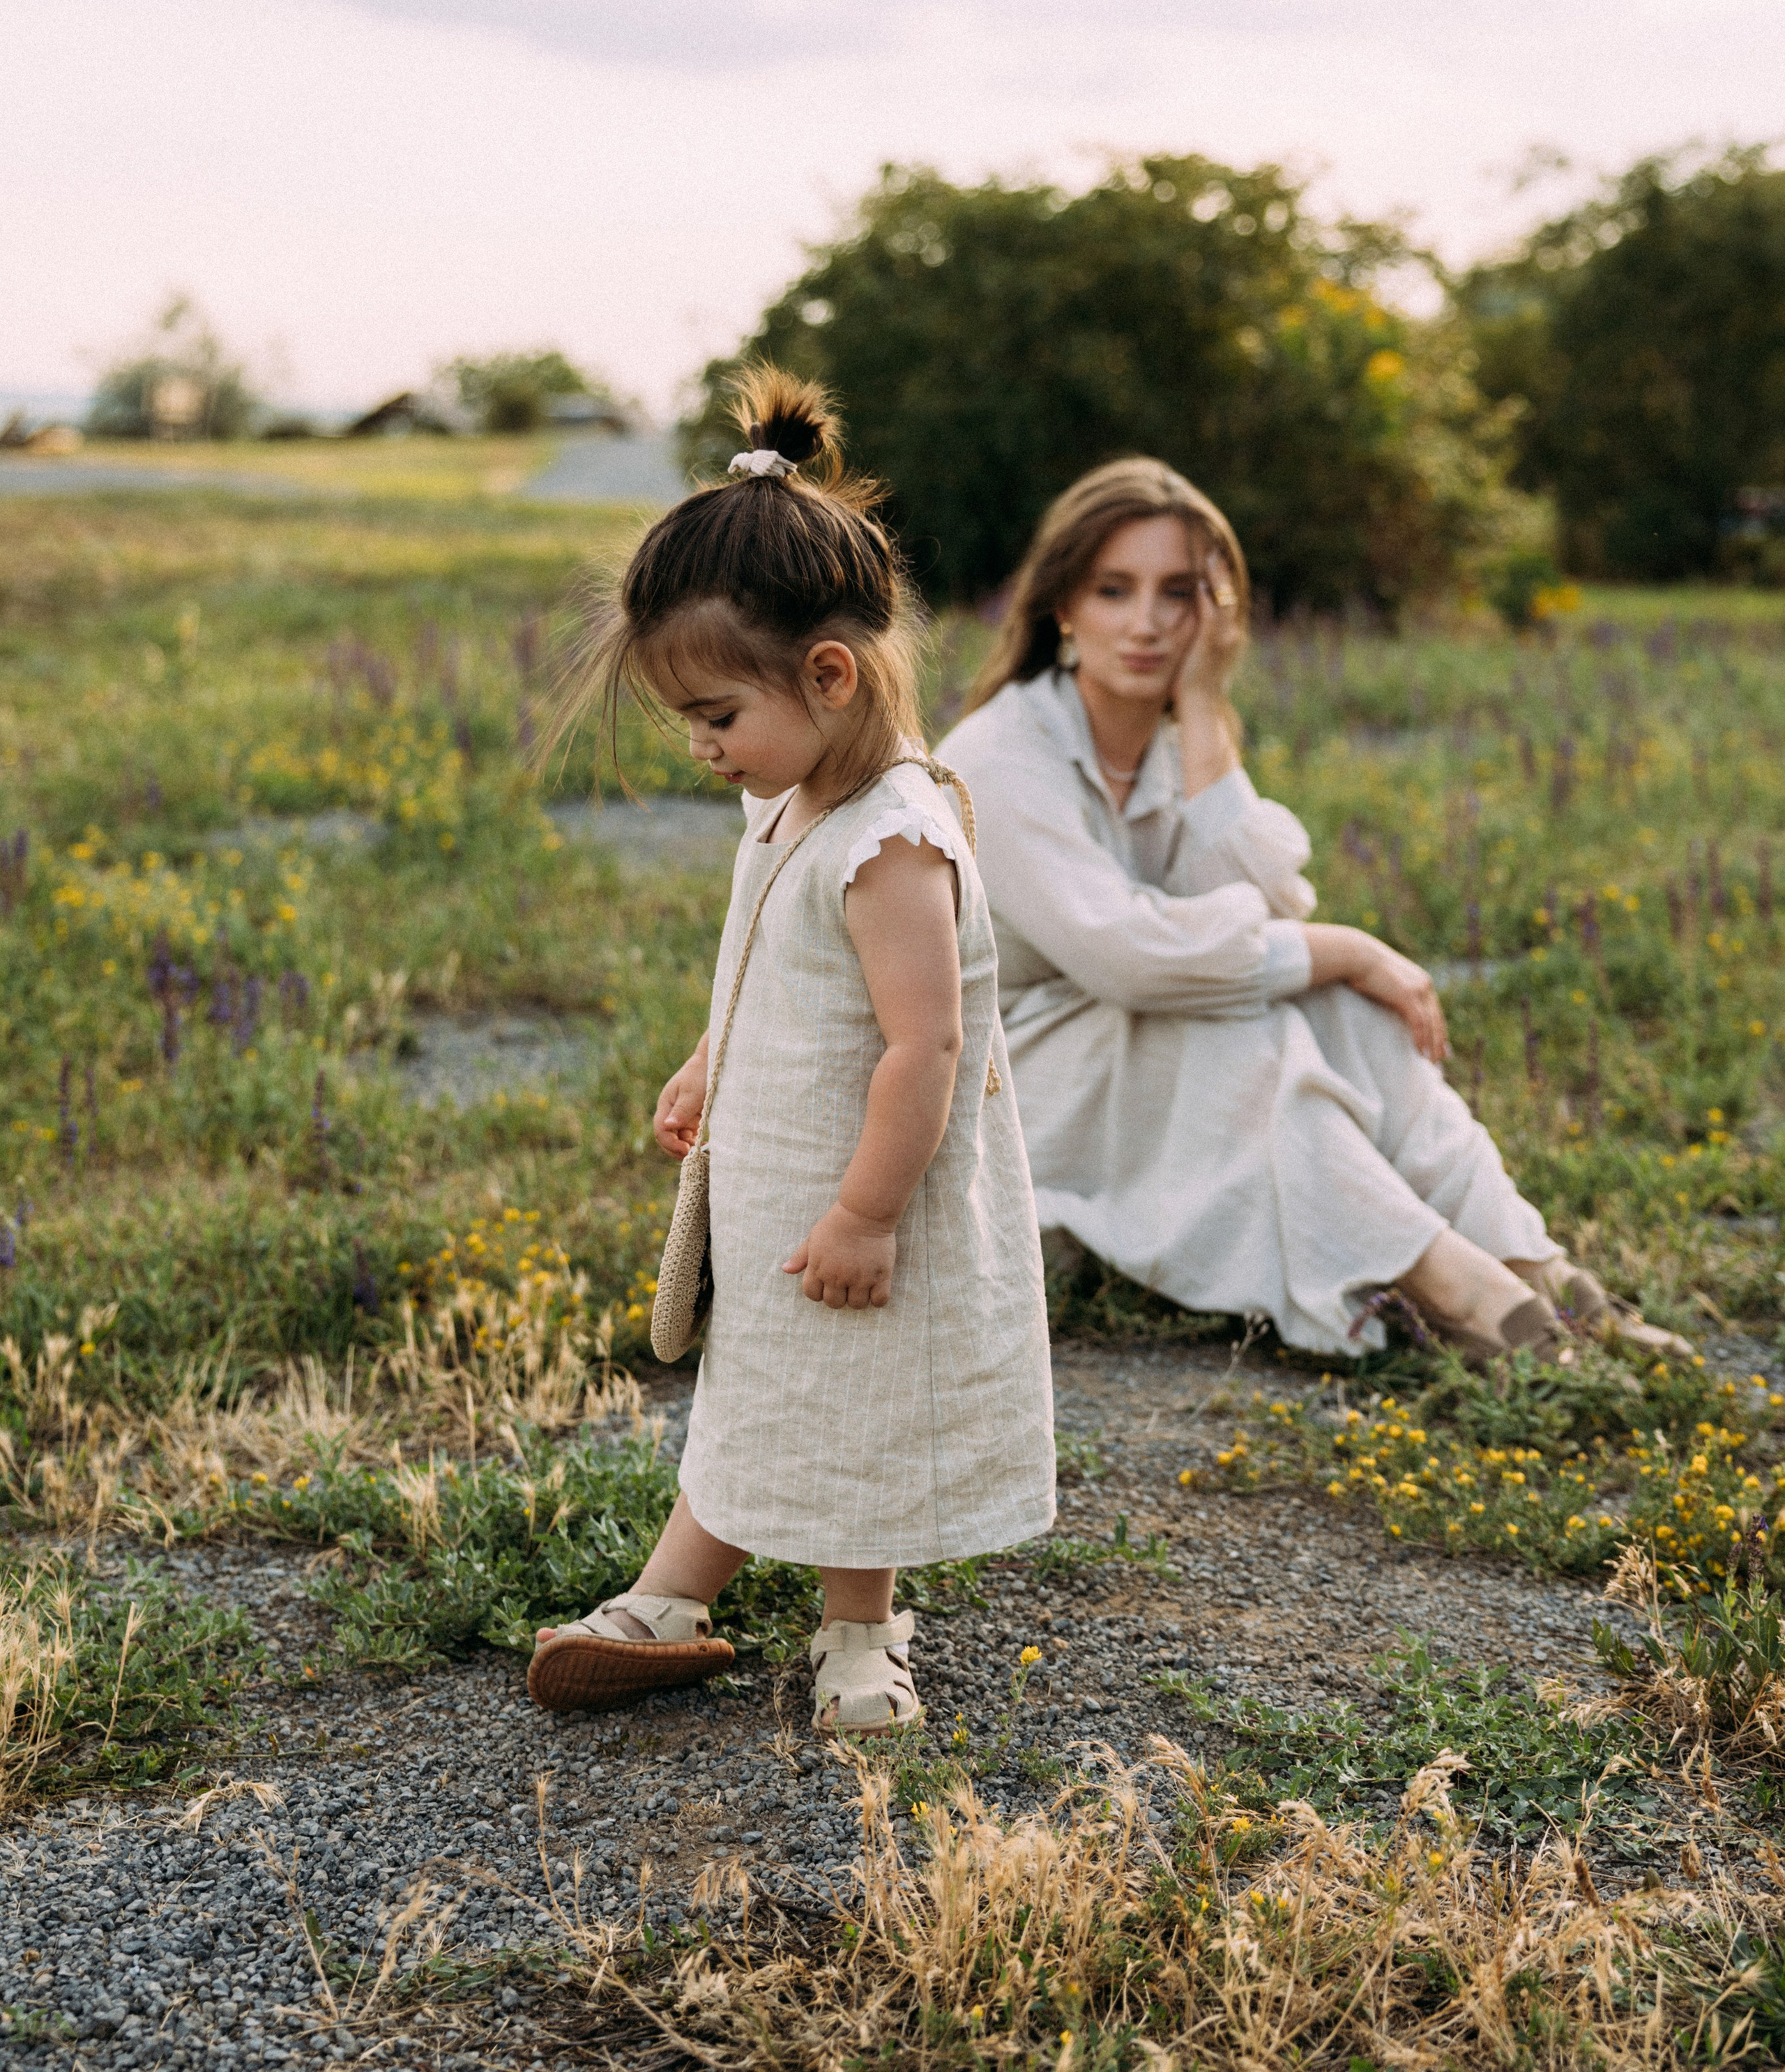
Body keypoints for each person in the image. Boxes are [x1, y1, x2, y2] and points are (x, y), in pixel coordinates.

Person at [529, 371, 1054, 1731]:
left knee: (854, 1401)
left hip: (863, 1185)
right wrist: (713, 1057)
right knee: (764, 1380)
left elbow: (925, 1042)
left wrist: (868, 1212)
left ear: (827, 675)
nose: (701, 747)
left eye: (714, 715)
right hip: (781, 1175)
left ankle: (858, 1628)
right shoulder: (789, 797)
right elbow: (762, 953)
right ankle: (671, 1595)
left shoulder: (890, 838)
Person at [939, 457, 1689, 1366]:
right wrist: (1341, 944)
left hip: (1122, 1064)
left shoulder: (1171, 740)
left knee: (1339, 1004)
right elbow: (1126, 955)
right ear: (1064, 604)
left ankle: (1545, 1273)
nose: (1144, 622)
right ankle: (1456, 1286)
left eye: (1178, 594)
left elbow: (1254, 911)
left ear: (1215, 615)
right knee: (1240, 1025)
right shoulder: (1000, 754)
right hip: (1002, 1089)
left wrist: (1207, 705)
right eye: (1113, 589)